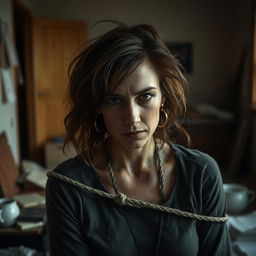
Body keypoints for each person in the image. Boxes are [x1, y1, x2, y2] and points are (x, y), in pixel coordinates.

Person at [46, 20, 232, 256]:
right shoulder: (68, 186)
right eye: (114, 100)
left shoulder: (201, 173)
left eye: (145, 97)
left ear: (163, 97)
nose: (132, 117)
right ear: (97, 106)